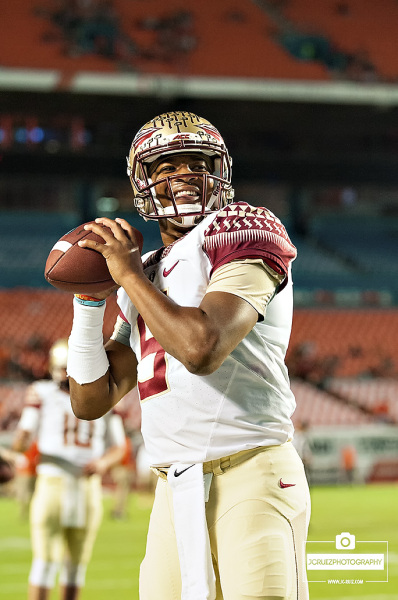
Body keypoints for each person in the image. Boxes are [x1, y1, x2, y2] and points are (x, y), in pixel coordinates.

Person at [67, 111, 311, 600]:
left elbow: (202, 348)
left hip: (251, 473)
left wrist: (127, 276)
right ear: (144, 184)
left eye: (194, 162)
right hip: (172, 489)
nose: (181, 176)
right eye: (166, 167)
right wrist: (89, 302)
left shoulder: (244, 227)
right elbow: (90, 400)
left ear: (218, 170)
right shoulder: (147, 272)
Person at [12, 338, 126, 600]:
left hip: (54, 484)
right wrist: (101, 463)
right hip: (86, 488)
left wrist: (17, 451)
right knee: (74, 567)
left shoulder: (41, 392)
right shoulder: (105, 394)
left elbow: (23, 438)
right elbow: (119, 448)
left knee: (46, 564)